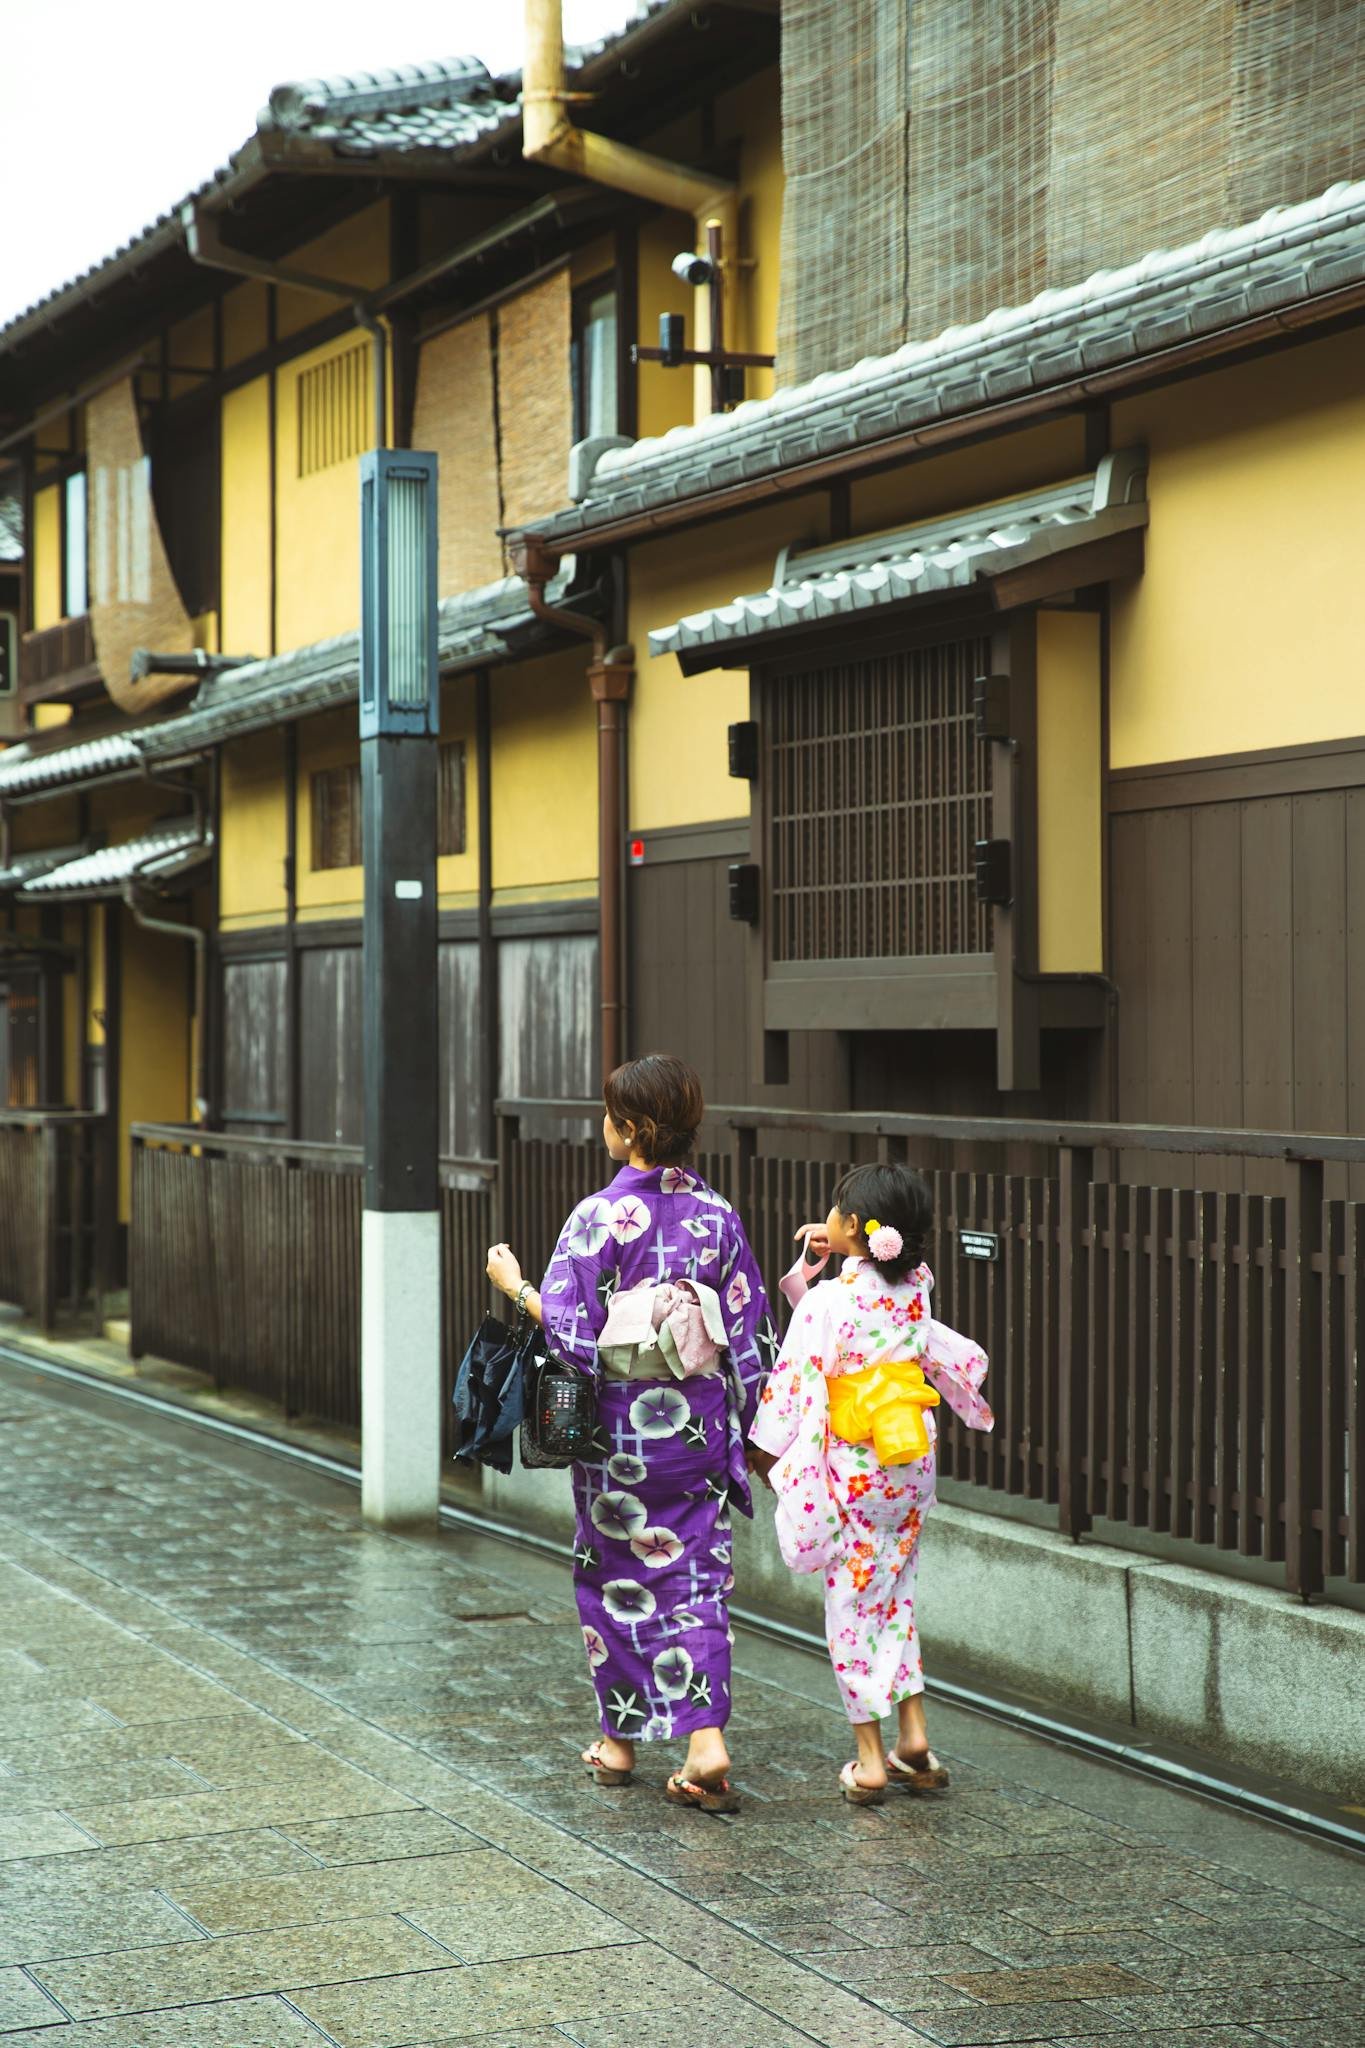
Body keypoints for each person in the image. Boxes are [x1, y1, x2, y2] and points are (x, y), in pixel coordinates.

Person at [486, 1053, 775, 1815]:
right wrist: (754, 1435)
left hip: (620, 1440)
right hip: (699, 1432)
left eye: (610, 1115)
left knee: (614, 1578)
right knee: (697, 1583)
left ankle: (619, 1742)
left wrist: (514, 1286)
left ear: (633, 1130)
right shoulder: (719, 1217)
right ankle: (703, 1739)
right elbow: (749, 1336)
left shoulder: (597, 1218)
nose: (603, 1126)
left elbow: (574, 1338)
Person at [748, 1162, 993, 1805]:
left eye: (835, 1213)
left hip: (853, 1471)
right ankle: (914, 1736)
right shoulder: (917, 1290)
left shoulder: (832, 1300)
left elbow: (799, 1372)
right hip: (908, 1463)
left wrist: (763, 1450)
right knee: (896, 1594)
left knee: (852, 1608)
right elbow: (870, 1297)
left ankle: (870, 1759)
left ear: (854, 1226)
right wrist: (830, 1258)